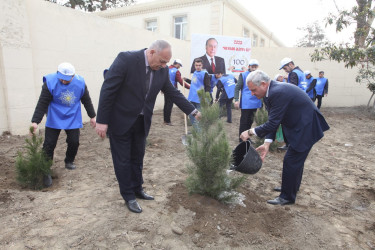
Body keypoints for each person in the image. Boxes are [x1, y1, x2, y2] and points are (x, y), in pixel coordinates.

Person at [95, 40, 200, 213]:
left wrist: (193, 112)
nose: (164, 65)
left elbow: (172, 92)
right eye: (162, 61)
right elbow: (108, 89)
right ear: (151, 52)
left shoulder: (162, 70)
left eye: (166, 62)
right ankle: (128, 195)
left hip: (142, 121)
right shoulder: (126, 59)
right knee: (122, 160)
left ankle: (138, 189)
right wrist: (102, 120)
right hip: (120, 120)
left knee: (137, 157)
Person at [240, 70, 329, 205]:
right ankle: (291, 187)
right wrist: (267, 143)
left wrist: (250, 131)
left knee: (291, 160)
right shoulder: (269, 93)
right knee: (295, 160)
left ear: (263, 84)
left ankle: (287, 197)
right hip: (300, 126)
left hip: (307, 126)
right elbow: (274, 120)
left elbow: (272, 123)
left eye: (253, 90)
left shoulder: (278, 92)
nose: (252, 93)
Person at [31, 62, 96, 187]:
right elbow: (42, 103)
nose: (64, 82)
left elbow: (86, 100)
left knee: (74, 141)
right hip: (54, 115)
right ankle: (46, 169)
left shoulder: (80, 83)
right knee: (49, 144)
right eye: (62, 79)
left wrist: (92, 116)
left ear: (73, 76)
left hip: (72, 115)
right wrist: (35, 121)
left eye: (67, 80)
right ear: (57, 74)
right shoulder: (50, 82)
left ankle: (69, 161)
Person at [234, 59, 262, 142]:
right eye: (252, 66)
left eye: (255, 66)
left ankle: (247, 137)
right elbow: (237, 87)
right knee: (244, 121)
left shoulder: (259, 75)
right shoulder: (243, 75)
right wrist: (236, 99)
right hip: (246, 102)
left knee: (250, 121)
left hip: (255, 101)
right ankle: (241, 138)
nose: (254, 68)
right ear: (249, 66)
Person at [163, 59, 191, 125]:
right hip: (172, 90)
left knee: (166, 104)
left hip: (165, 89)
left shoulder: (166, 68)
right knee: (169, 105)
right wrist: (190, 87)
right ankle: (167, 121)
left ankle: (165, 120)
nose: (179, 67)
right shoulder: (176, 71)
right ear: (177, 64)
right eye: (179, 65)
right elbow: (181, 82)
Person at [188, 58, 210, 128]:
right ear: (194, 65)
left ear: (202, 65)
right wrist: (186, 80)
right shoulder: (194, 73)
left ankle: (200, 132)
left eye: (199, 65)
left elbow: (207, 86)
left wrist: (206, 97)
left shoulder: (205, 74)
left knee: (199, 116)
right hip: (191, 97)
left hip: (199, 98)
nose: (198, 67)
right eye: (196, 65)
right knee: (191, 114)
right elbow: (194, 83)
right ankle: (196, 130)